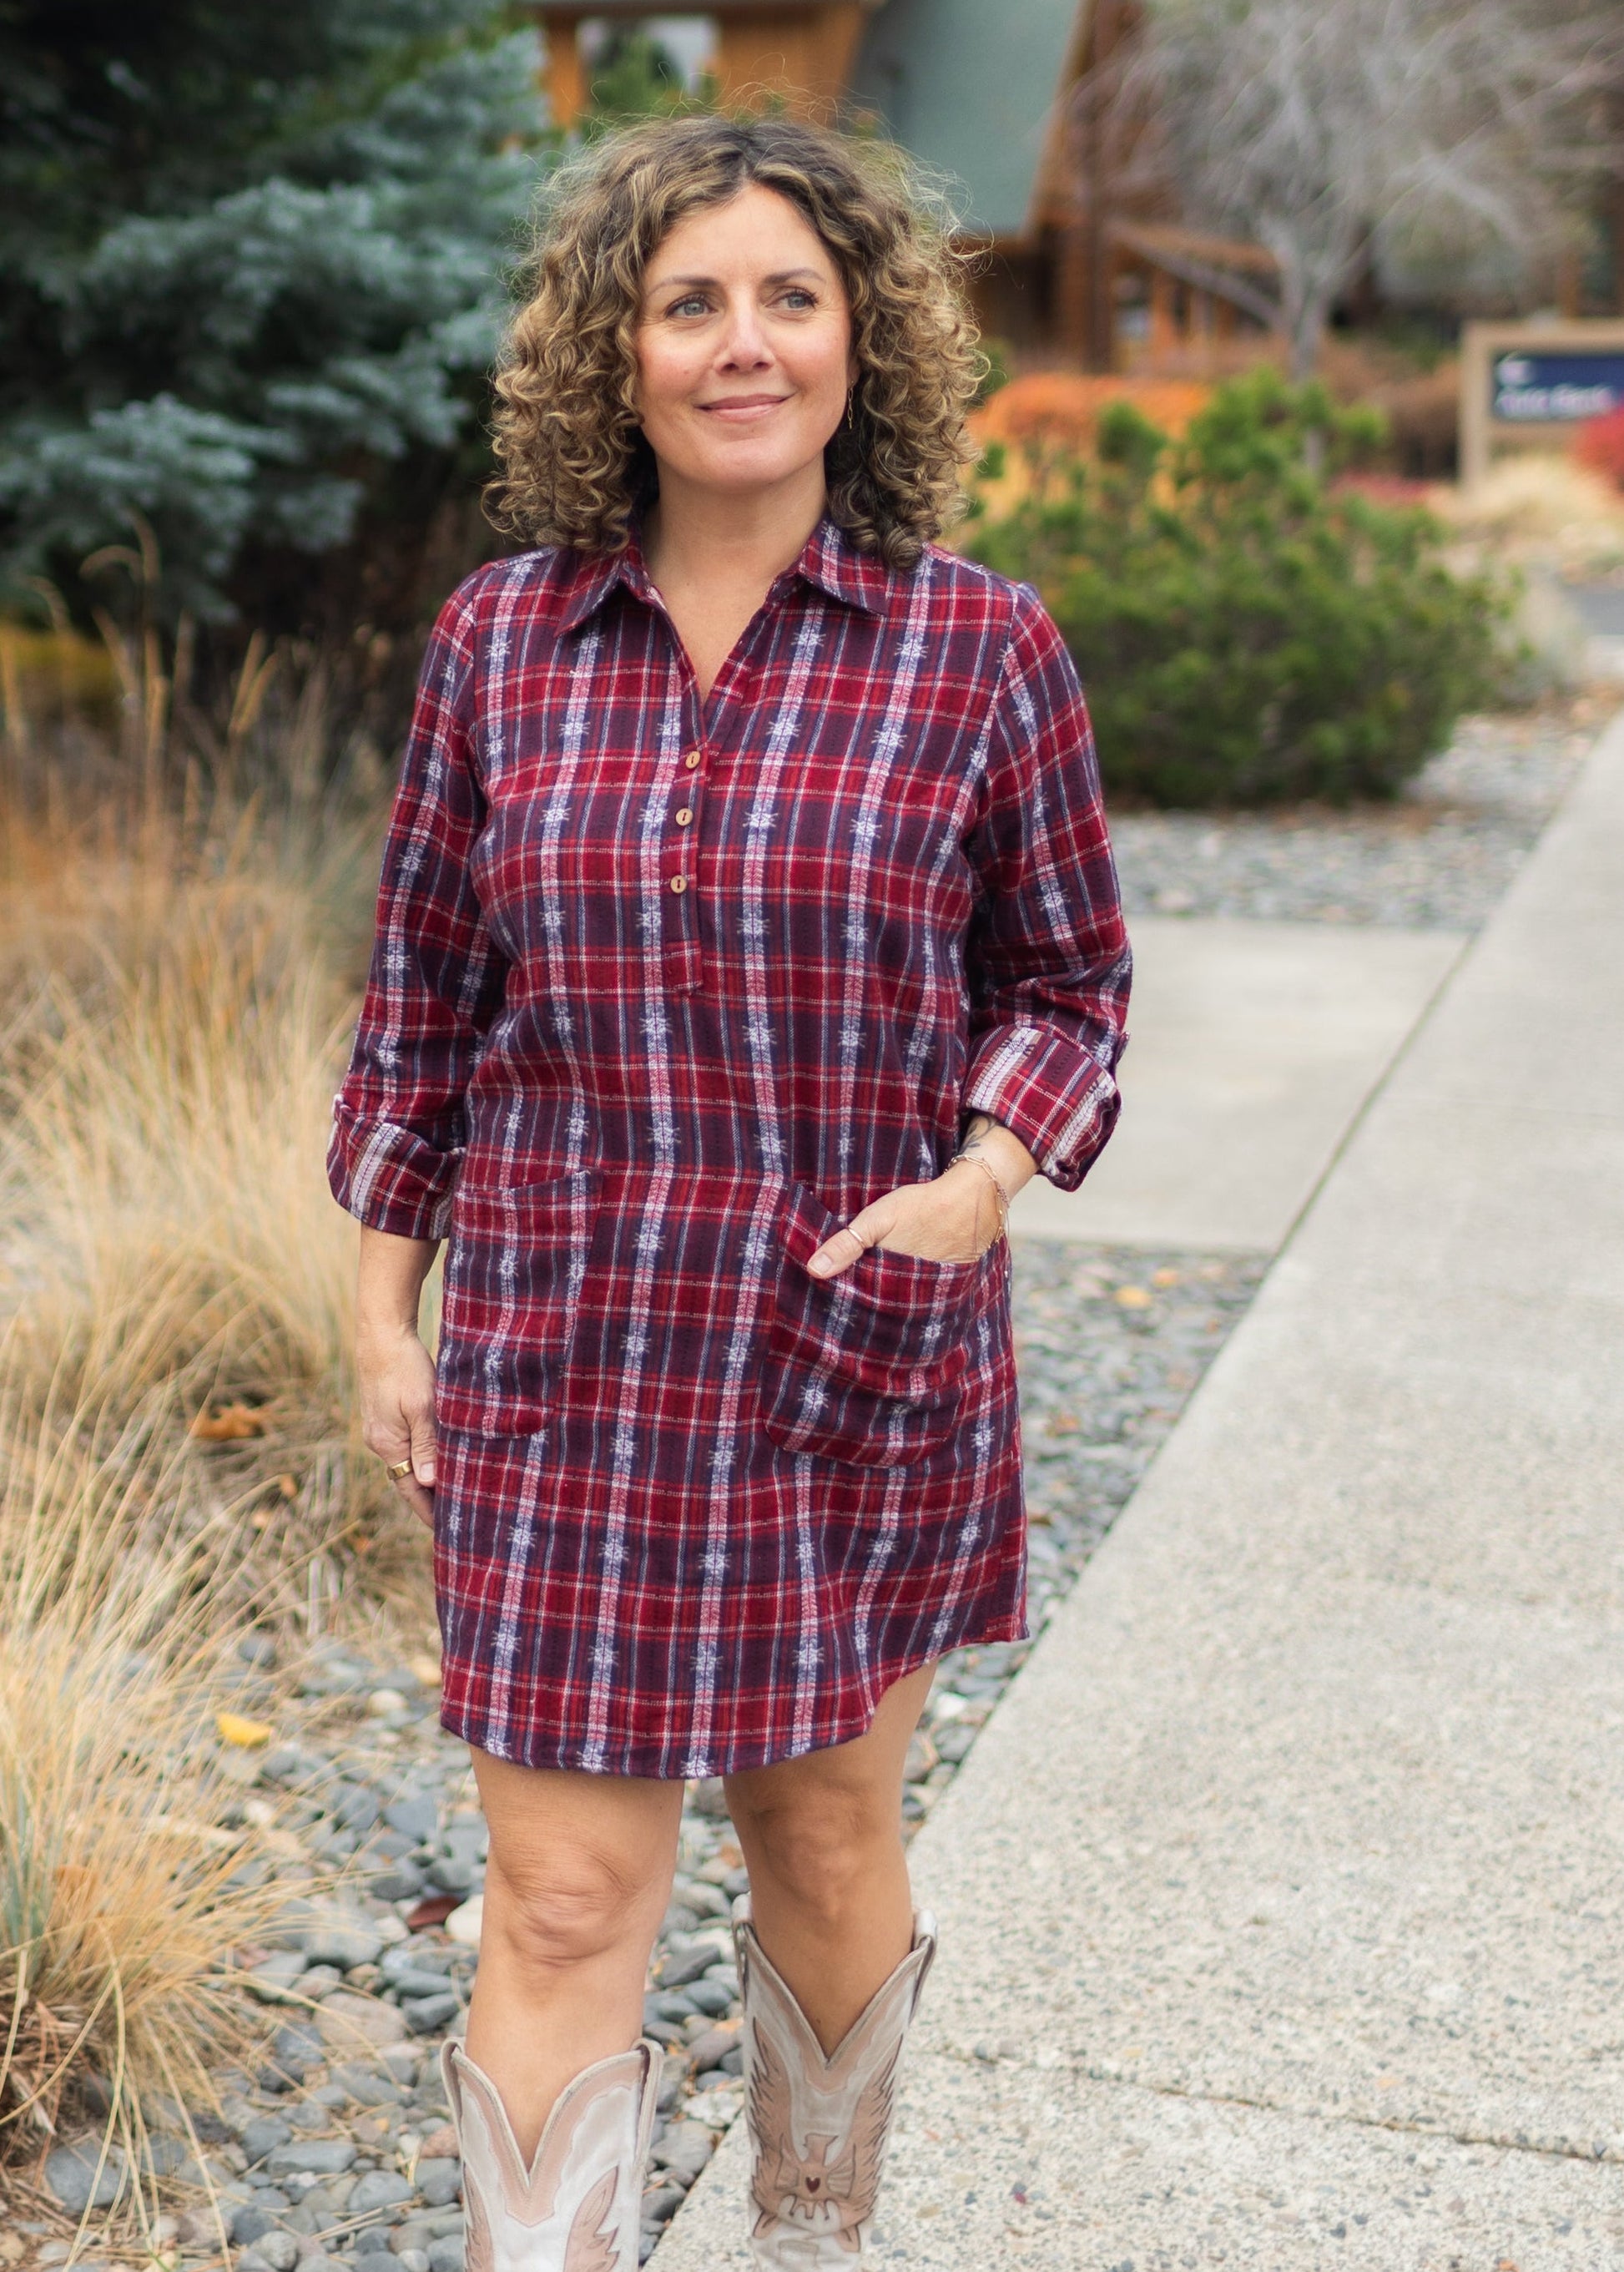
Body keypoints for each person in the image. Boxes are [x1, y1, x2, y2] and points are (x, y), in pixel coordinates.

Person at [328, 110, 1130, 2272]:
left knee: (827, 1840)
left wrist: (980, 1178)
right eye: (690, 303)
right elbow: (421, 1003)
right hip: (565, 1360)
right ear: (621, 351)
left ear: (865, 338)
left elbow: (1068, 986)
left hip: (847, 1344)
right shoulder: (502, 646)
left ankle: (809, 2235)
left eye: (791, 296)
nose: (742, 342)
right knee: (559, 1894)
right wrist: (381, 1308)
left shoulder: (978, 649)